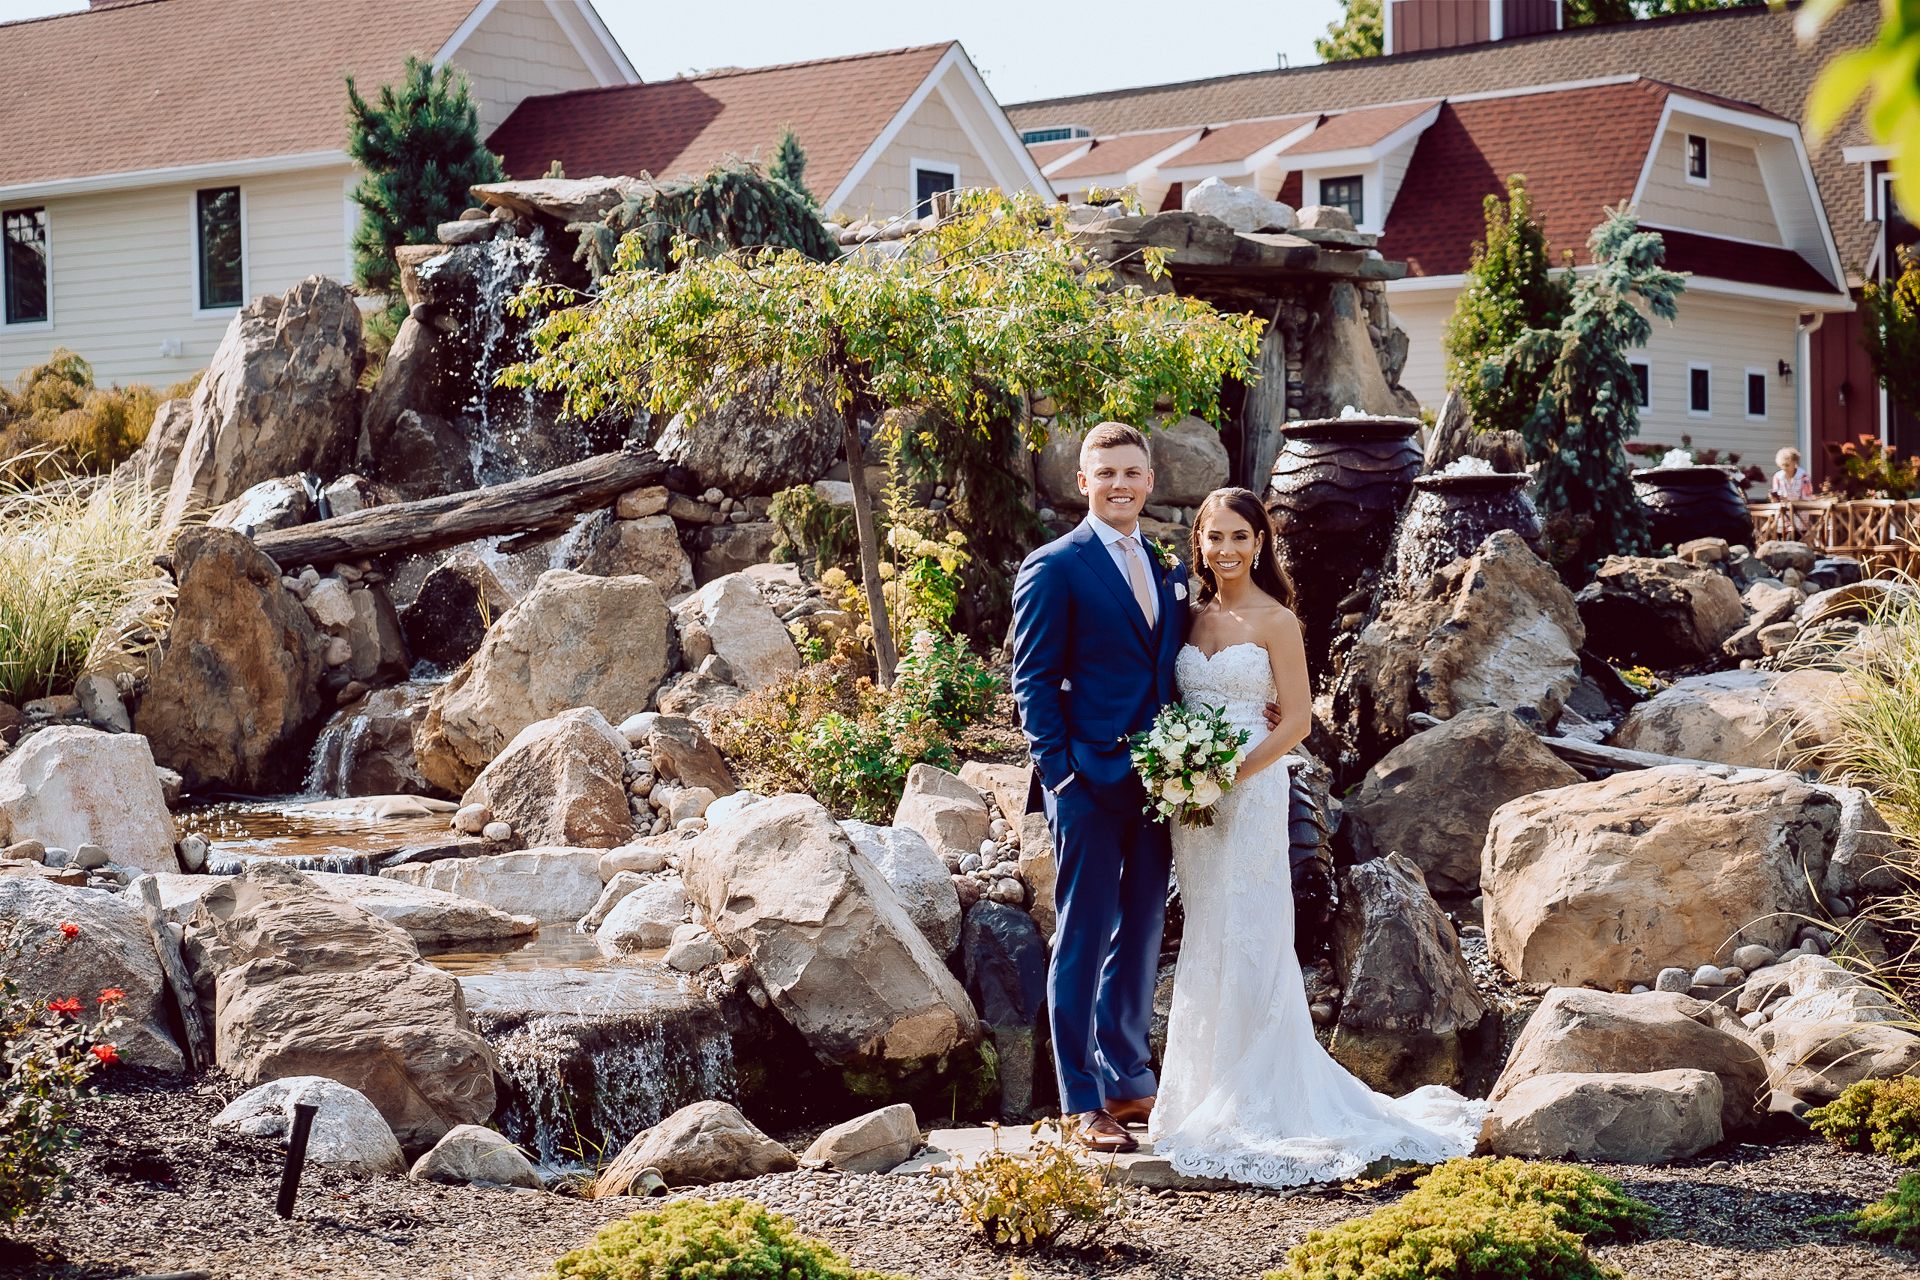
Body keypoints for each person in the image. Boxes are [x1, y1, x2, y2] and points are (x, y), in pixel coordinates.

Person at [1146, 487, 1485, 1187]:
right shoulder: (1188, 617)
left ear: (1260, 544)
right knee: (1208, 927)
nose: (1227, 550)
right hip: (1192, 795)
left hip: (1250, 788)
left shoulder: (1277, 620)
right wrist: (1182, 768)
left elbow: (1297, 720)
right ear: (1199, 543)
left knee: (1252, 926)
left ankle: (1256, 1093)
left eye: (1240, 537)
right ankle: (1199, 1090)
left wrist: (1230, 772)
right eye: (1215, 537)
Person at [1010, 424, 1282, 1154]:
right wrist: (1061, 774)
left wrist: (1256, 709)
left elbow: (1181, 663)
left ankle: (1128, 1077)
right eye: (1106, 473)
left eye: (1131, 472)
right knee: (1083, 933)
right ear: (1084, 482)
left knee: (1140, 932)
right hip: (1086, 781)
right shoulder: (1053, 567)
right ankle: (1081, 1099)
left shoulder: (1167, 568)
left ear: (1150, 480)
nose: (1119, 484)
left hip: (1164, 781)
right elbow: (1032, 681)